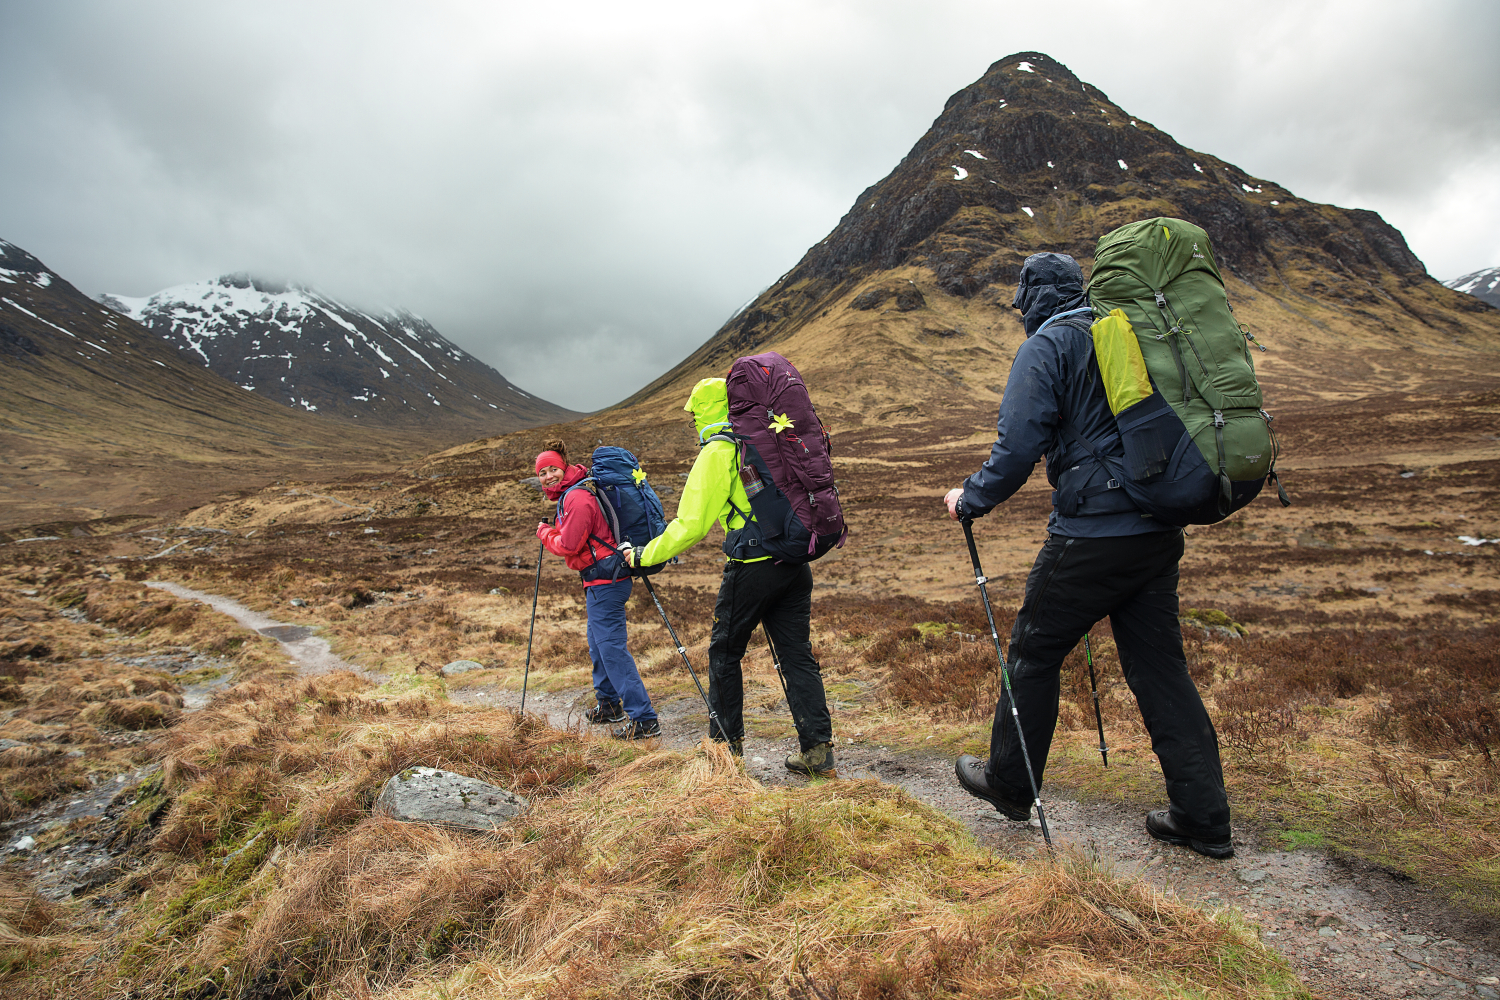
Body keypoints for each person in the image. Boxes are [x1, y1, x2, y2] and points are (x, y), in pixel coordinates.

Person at [945, 252, 1234, 859]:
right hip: (1156, 530)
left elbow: (1018, 443)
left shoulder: (1047, 346)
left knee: (1032, 650)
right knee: (1160, 668)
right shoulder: (1125, 331)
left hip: (1093, 533)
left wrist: (970, 497)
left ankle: (1009, 782)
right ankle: (1203, 815)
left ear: (1032, 299)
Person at [616, 378, 836, 776]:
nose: (693, 422)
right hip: (794, 564)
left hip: (752, 567)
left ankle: (724, 751)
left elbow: (690, 524)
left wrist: (643, 556)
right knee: (796, 656)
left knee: (723, 654)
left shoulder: (719, 451)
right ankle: (818, 752)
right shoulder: (770, 440)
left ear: (705, 411)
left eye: (694, 414)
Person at [534, 440, 660, 740]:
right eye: (542, 473)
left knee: (611, 648)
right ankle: (608, 705)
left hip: (607, 581)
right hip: (600, 579)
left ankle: (644, 719)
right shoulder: (573, 494)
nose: (548, 476)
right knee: (598, 642)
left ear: (564, 468)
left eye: (553, 469)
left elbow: (567, 545)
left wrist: (545, 533)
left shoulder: (576, 498)